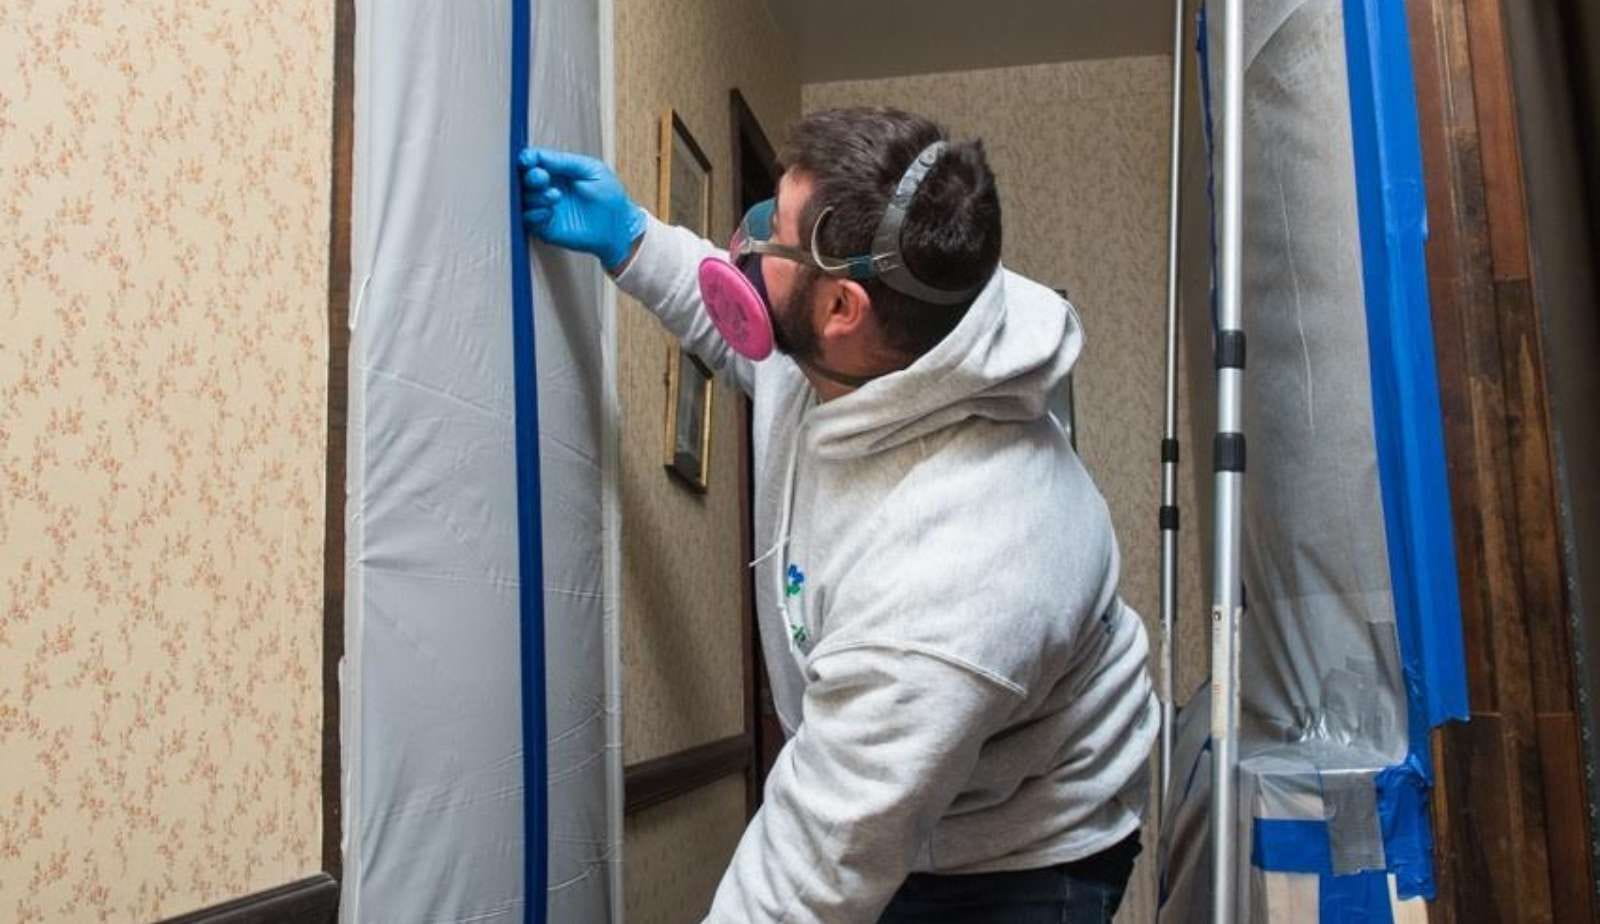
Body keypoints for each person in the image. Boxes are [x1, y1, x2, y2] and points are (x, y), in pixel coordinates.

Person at [518, 107, 1156, 924]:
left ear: (842, 309)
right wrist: (633, 240)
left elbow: (809, 878)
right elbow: (748, 339)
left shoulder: (964, 570)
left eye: (766, 234)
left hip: (1021, 849)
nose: (743, 250)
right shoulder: (872, 347)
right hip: (896, 778)